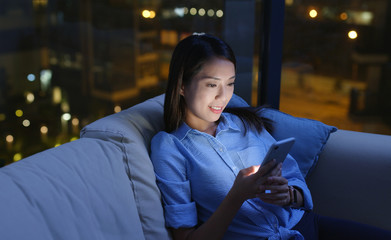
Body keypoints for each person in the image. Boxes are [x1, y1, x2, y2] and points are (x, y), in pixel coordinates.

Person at [150, 33, 391, 240]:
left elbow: (295, 181)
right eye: (212, 85)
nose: (223, 97)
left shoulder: (244, 123)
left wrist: (287, 195)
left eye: (230, 83)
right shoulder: (170, 147)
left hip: (306, 225)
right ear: (182, 85)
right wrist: (237, 196)